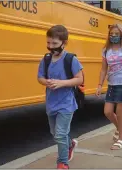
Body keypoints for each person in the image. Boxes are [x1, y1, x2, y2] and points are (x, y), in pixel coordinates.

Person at [37, 25, 83, 169]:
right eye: (48, 43)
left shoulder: (70, 59)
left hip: (66, 104)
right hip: (51, 103)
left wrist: (62, 83)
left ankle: (62, 163)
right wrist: (47, 82)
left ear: (64, 43)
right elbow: (40, 77)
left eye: (54, 44)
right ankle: (71, 144)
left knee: (60, 134)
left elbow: (79, 79)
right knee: (55, 133)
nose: (51, 47)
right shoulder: (46, 59)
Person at [96, 23, 122, 150]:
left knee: (120, 112)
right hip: (112, 84)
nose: (113, 36)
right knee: (107, 112)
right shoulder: (106, 50)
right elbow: (103, 69)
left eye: (116, 34)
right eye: (111, 34)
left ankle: (121, 139)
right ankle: (120, 128)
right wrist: (99, 85)